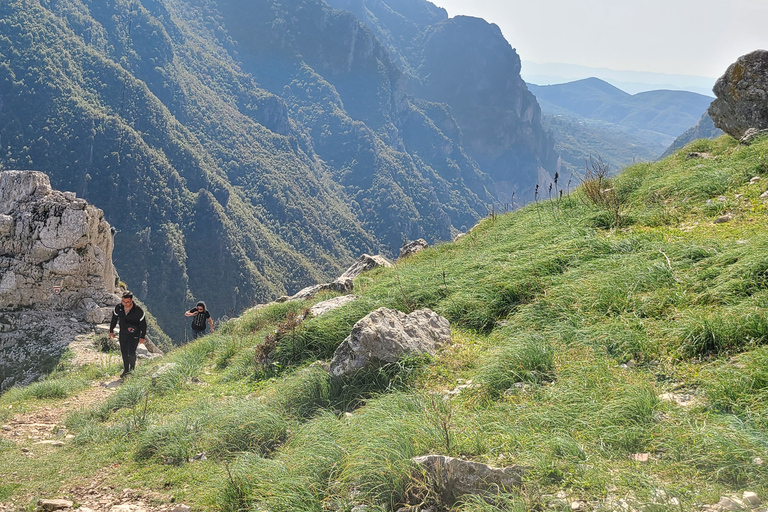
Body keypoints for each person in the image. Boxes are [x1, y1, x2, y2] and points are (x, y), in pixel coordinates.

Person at [109, 292, 147, 378]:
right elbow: (114, 319)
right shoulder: (118, 308)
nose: (125, 304)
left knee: (131, 352)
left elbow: (143, 324)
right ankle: (126, 370)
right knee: (124, 352)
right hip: (123, 333)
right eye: (123, 301)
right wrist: (111, 330)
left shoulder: (138, 310)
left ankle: (132, 370)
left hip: (134, 335)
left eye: (128, 302)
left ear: (132, 300)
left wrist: (142, 336)